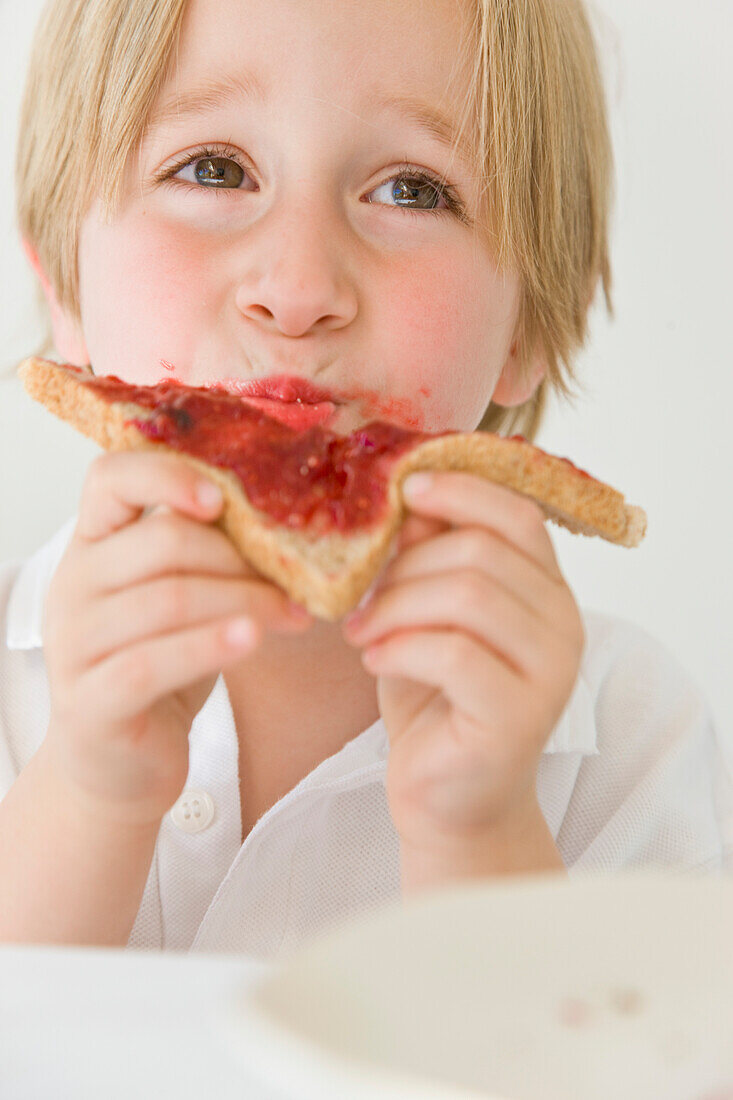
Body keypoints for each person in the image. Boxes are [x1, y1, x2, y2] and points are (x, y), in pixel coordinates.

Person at [1, 0, 730, 955]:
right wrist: (89, 794)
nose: (299, 289)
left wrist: (481, 834)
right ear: (63, 284)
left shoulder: (632, 738)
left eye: (411, 191)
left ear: (529, 327)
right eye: (212, 169)